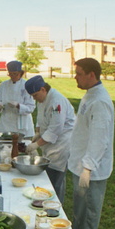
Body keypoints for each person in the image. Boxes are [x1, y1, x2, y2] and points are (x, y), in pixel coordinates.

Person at [68, 58, 115, 229]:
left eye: (79, 73)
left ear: (91, 75)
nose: (75, 77)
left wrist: (87, 167)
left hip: (91, 168)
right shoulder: (90, 95)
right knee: (80, 205)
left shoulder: (100, 101)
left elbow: (99, 138)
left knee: (89, 208)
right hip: (80, 162)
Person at [24, 75, 75, 203]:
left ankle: (55, 206)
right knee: (49, 177)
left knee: (55, 180)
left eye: (35, 95)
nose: (34, 98)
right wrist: (37, 132)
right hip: (49, 143)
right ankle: (50, 202)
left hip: (61, 144)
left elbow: (55, 130)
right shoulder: (43, 99)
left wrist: (35, 145)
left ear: (43, 89)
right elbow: (40, 118)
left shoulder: (56, 101)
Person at [0, 60, 35, 138]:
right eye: (10, 74)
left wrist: (19, 106)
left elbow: (31, 107)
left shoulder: (26, 85)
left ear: (20, 73)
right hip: (6, 122)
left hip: (22, 123)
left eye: (15, 74)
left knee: (21, 147)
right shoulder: (4, 85)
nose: (13, 76)